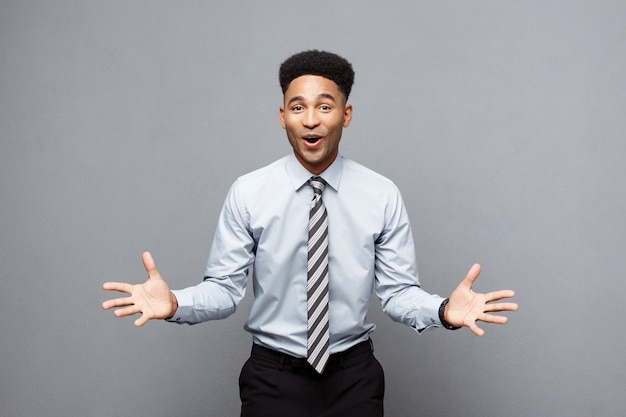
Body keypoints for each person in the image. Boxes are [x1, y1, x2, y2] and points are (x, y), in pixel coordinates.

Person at [102, 50, 518, 417]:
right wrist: (175, 303)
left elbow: (397, 293)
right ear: (282, 115)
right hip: (272, 379)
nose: (311, 120)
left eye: (325, 106)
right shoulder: (248, 192)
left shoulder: (381, 194)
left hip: (353, 379)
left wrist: (444, 311)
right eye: (297, 108)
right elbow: (224, 290)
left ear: (346, 114)